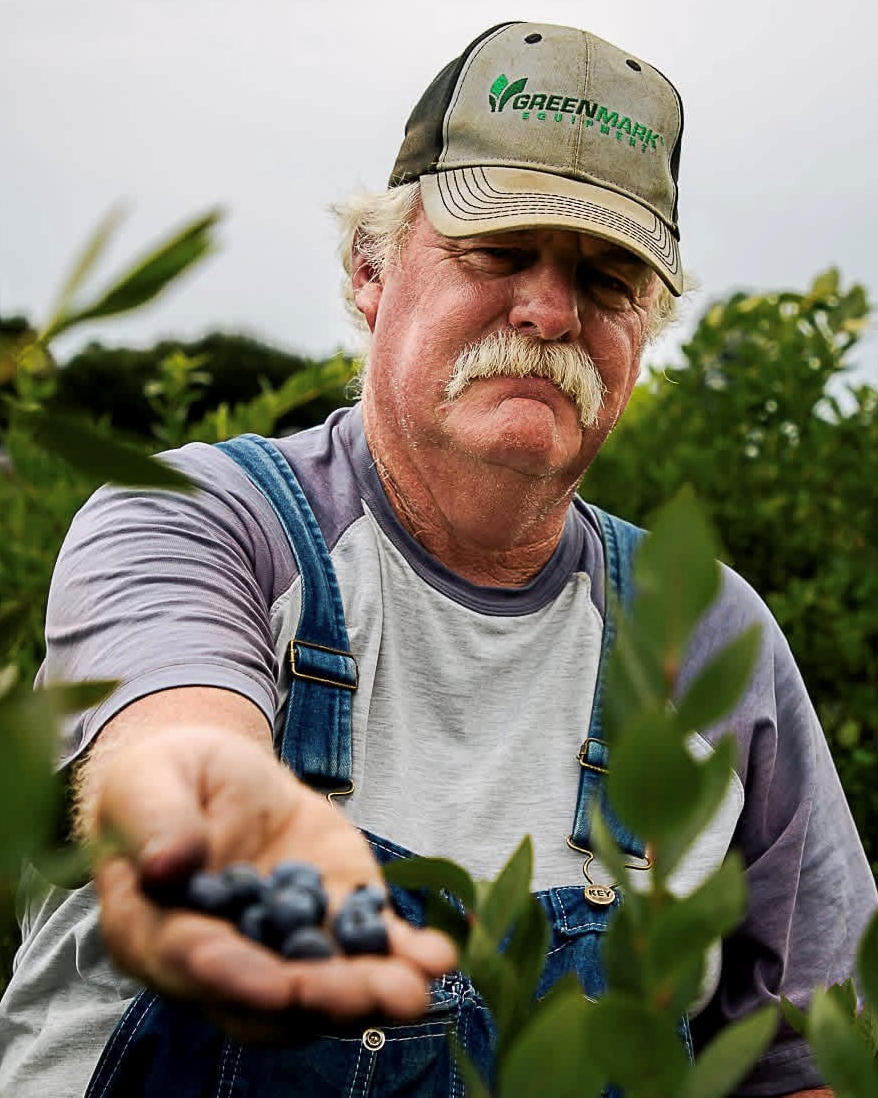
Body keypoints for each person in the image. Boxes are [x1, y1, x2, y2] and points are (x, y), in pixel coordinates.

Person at [0, 20, 873, 1098]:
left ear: (642, 330)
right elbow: (171, 744)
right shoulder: (200, 519)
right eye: (498, 251)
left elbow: (795, 1064)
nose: (549, 311)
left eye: (606, 281)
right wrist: (213, 830)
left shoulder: (705, 636)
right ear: (369, 270)